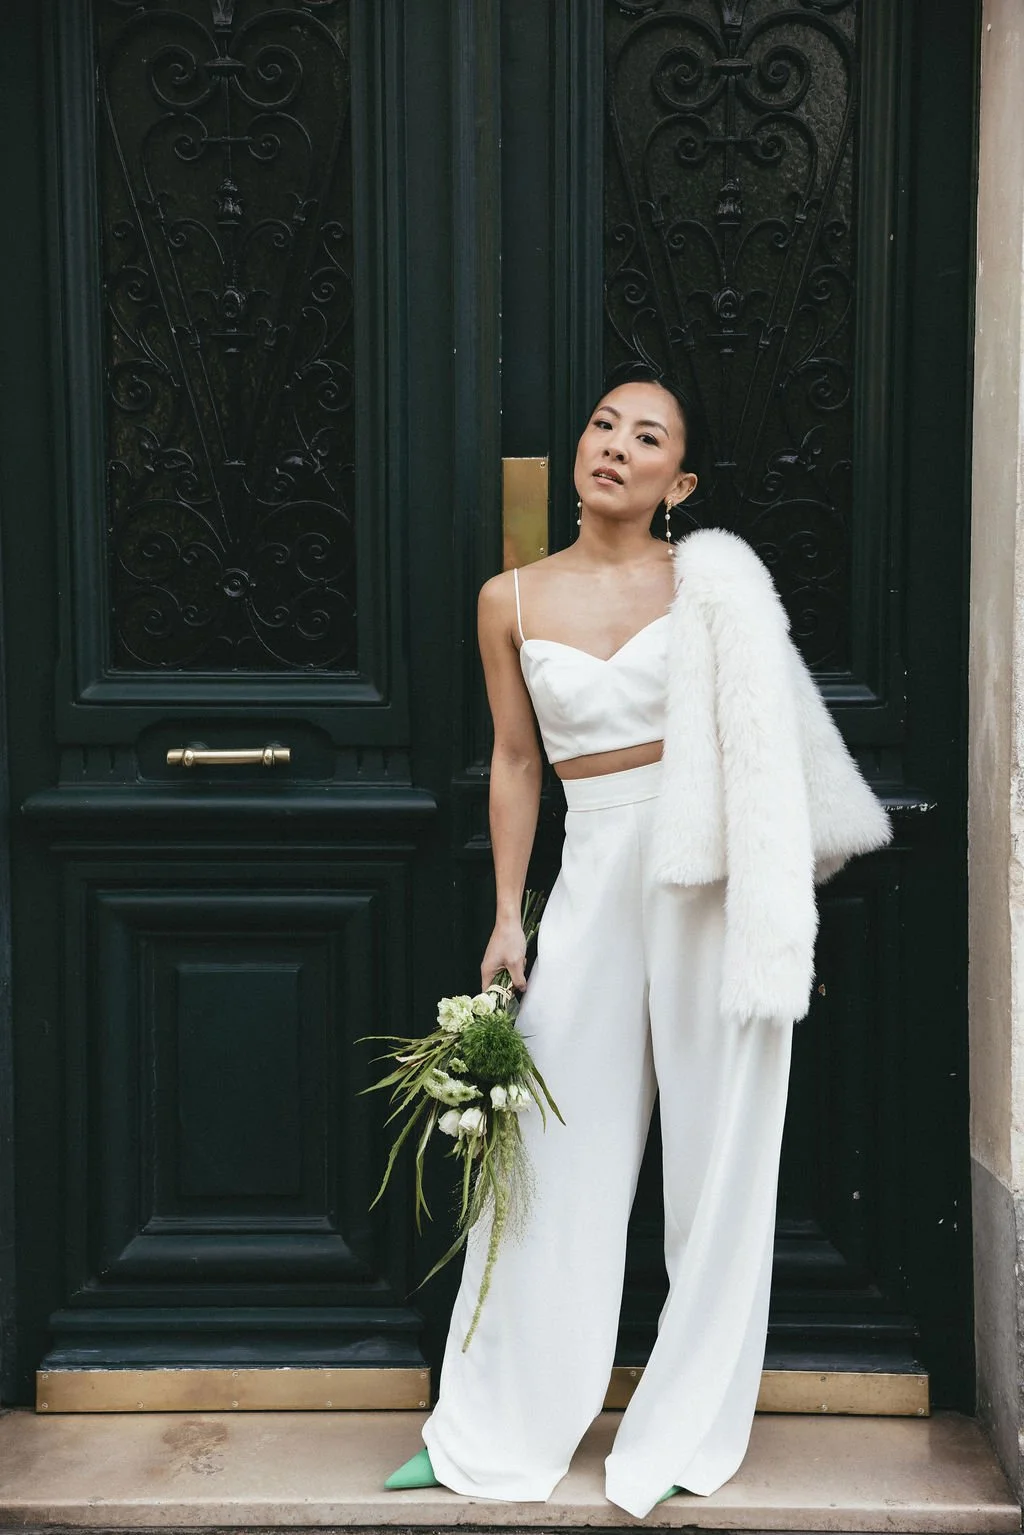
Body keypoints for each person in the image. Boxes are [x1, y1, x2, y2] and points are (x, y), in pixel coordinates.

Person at [384, 363, 891, 1517]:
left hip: (712, 873)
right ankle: (488, 1428)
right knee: (549, 1151)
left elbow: (762, 741)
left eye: (647, 435)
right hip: (595, 869)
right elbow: (517, 760)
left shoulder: (711, 583)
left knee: (719, 1161)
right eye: (604, 424)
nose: (615, 444)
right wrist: (508, 914)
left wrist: (770, 894)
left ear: (681, 481)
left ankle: (681, 1428)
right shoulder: (507, 598)